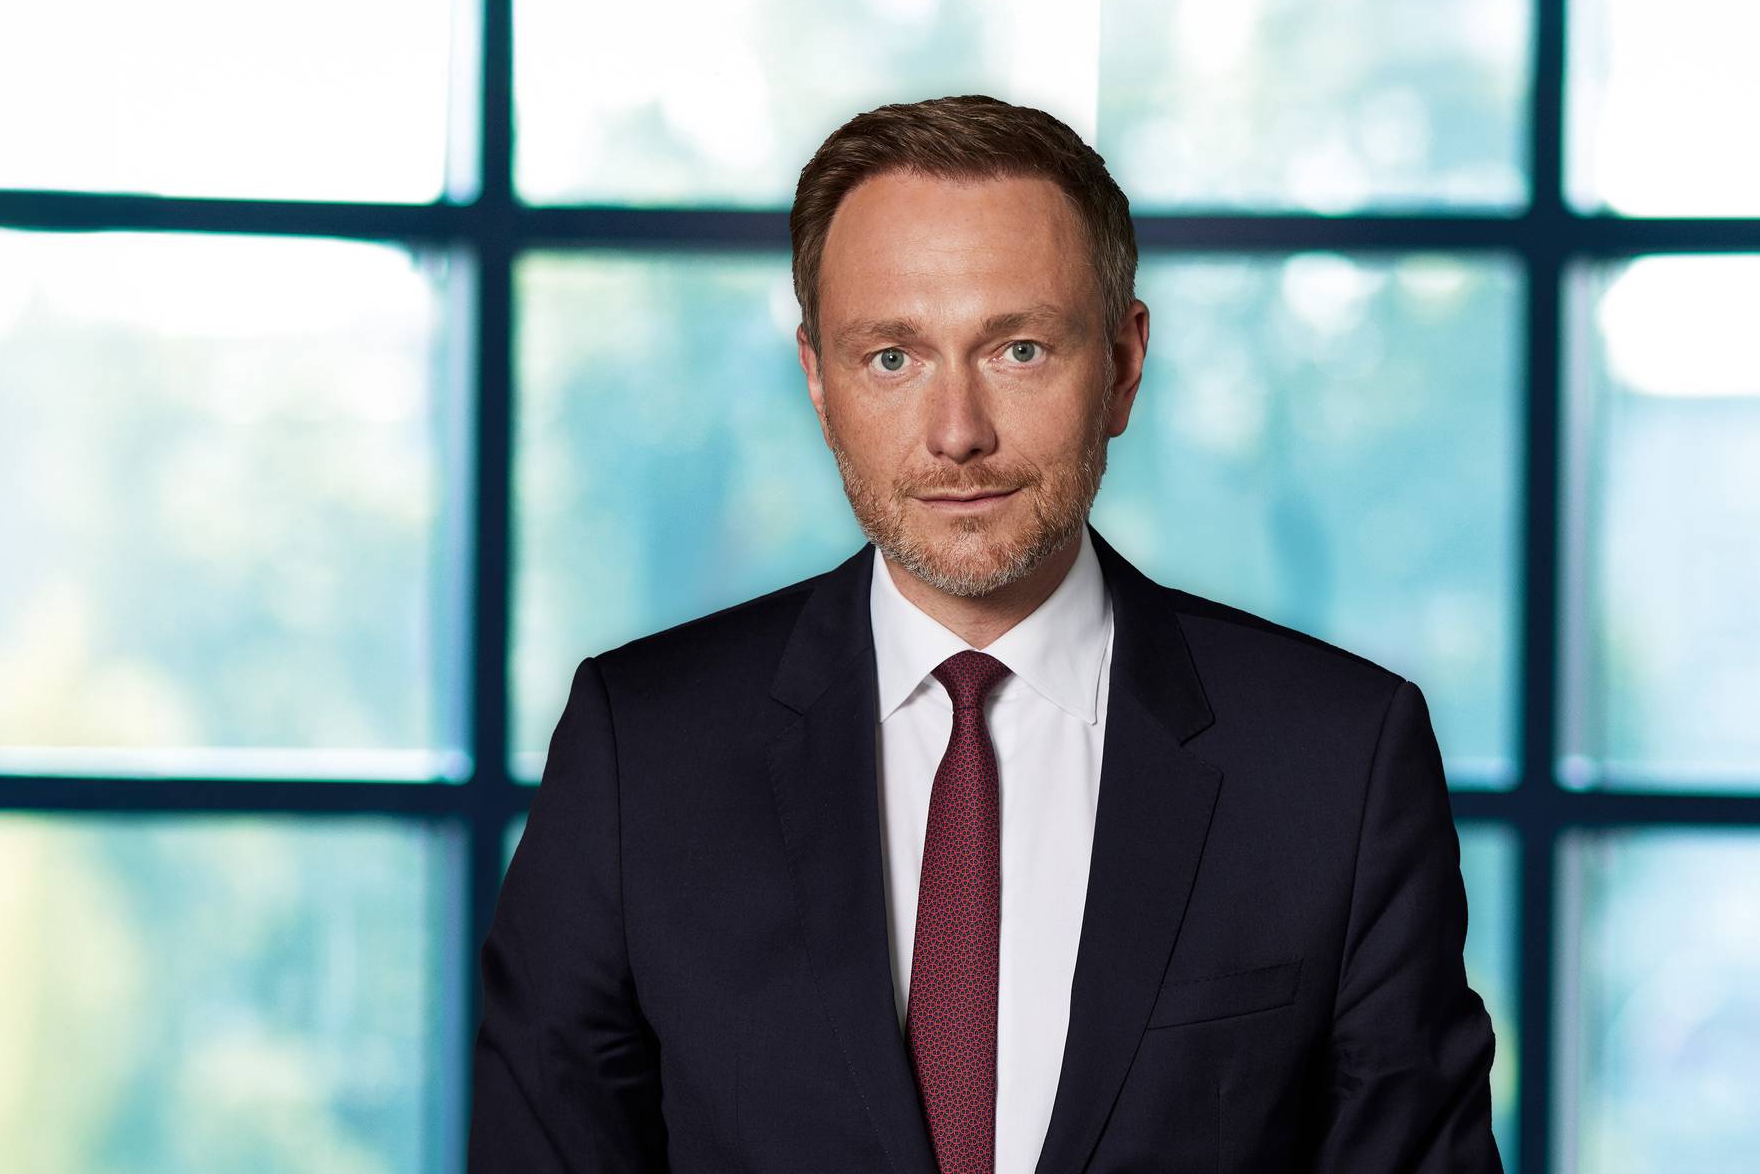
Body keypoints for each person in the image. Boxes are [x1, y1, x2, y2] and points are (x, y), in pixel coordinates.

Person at [469, 93, 1500, 1173]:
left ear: (1123, 362)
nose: (956, 433)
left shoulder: (1337, 763)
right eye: (891, 357)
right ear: (816, 377)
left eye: (1018, 348)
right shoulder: (640, 754)